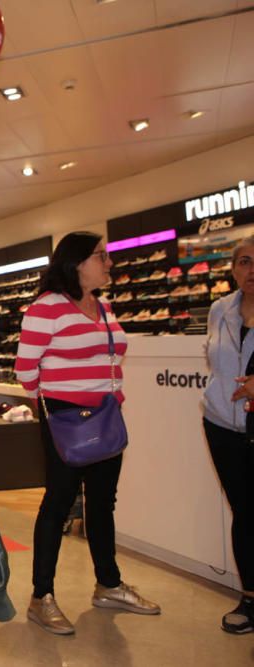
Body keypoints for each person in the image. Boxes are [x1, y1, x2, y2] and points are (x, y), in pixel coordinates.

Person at [15, 231, 159, 636]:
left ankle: (108, 584)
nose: (109, 263)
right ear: (77, 262)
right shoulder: (46, 309)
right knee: (58, 504)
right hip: (65, 419)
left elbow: (112, 360)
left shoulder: (104, 307)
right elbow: (26, 373)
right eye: (101, 256)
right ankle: (41, 597)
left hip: (106, 416)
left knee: (102, 504)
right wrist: (66, 395)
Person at [201, 236, 254, 634]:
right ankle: (250, 597)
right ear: (233, 268)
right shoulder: (220, 309)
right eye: (244, 261)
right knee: (244, 512)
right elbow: (215, 360)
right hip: (222, 426)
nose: (251, 269)